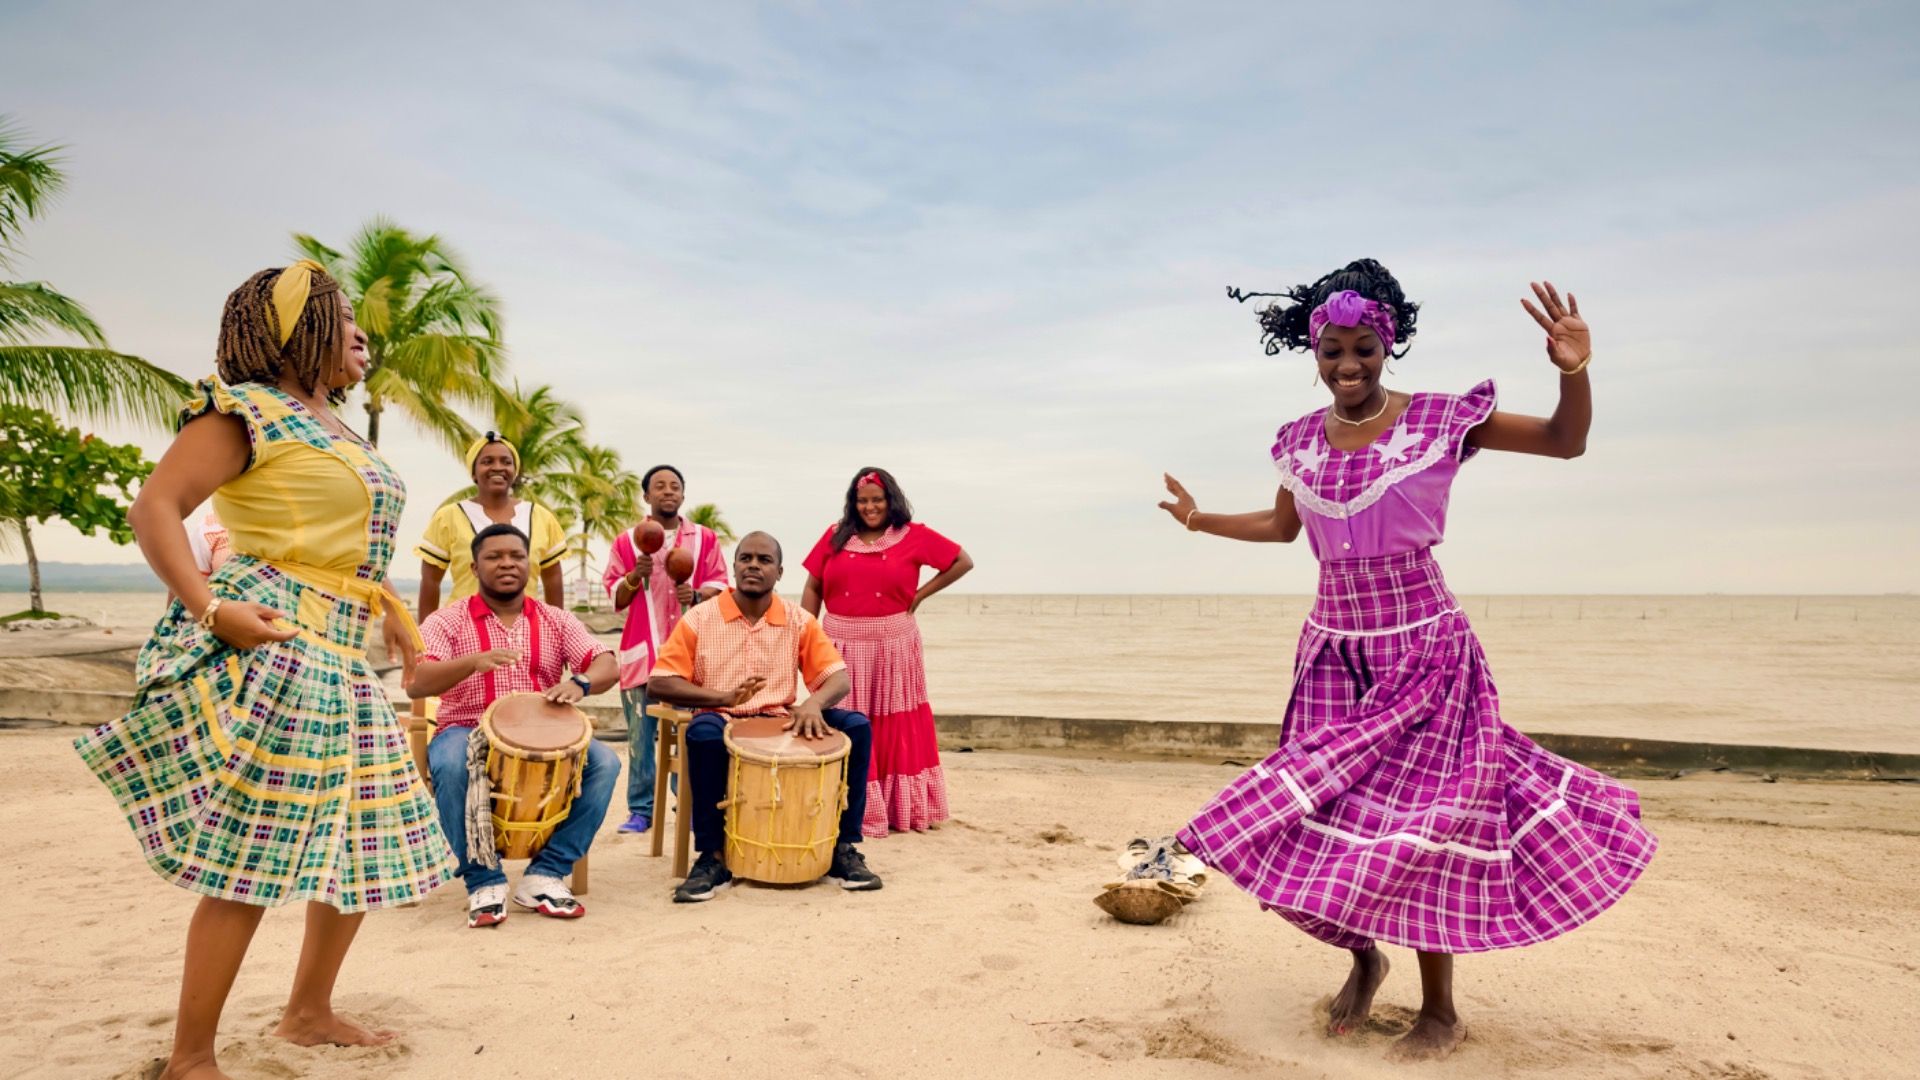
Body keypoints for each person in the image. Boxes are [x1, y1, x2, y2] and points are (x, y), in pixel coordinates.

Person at [1158, 259, 1656, 1062]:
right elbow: (1285, 529)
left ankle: (1441, 1011)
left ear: (1388, 344)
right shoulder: (1296, 442)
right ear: (1311, 352)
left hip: (1425, 650)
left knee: (1426, 826)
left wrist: (1576, 371)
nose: (1347, 367)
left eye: (1363, 349)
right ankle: (1363, 956)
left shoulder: (1437, 420)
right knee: (1324, 821)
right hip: (1332, 654)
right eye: (1332, 352)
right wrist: (1198, 520)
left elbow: (1568, 444)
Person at [74, 261, 455, 1080]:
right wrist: (212, 608)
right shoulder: (245, 409)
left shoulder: (336, 429)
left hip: (339, 646)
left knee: (361, 838)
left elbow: (351, 547)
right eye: (340, 315)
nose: (361, 332)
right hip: (276, 637)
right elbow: (155, 507)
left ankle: (308, 1011)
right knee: (256, 843)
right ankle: (190, 1056)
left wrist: (395, 617)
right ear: (295, 330)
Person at [647, 532, 883, 902]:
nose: (753, 565)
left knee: (856, 726)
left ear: (779, 572)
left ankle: (842, 848)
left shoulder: (798, 620)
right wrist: (719, 697)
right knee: (703, 733)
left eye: (764, 560)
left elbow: (838, 678)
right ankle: (712, 857)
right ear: (735, 566)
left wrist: (811, 705)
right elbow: (659, 683)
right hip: (722, 718)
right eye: (745, 558)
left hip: (781, 719)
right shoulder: (700, 618)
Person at [409, 523, 620, 928]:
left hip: (545, 733)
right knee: (452, 765)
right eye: (494, 556)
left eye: (516, 556)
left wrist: (580, 682)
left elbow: (606, 662)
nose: (506, 563)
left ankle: (546, 874)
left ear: (531, 565)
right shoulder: (447, 621)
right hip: (466, 728)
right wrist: (473, 661)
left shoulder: (556, 619)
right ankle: (483, 881)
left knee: (606, 763)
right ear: (474, 566)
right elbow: (419, 680)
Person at [801, 468, 973, 837]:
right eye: (862, 501)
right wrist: (807, 632)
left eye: (876, 499)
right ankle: (841, 805)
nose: (870, 507)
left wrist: (921, 594)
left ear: (890, 499)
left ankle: (896, 809)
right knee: (843, 720)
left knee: (893, 723)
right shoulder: (835, 536)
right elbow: (813, 585)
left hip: (894, 644)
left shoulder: (914, 536)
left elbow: (962, 561)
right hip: (840, 642)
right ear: (853, 503)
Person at [601, 464, 726, 834]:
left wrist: (699, 594)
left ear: (683, 496)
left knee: (689, 734)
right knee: (640, 737)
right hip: (642, 654)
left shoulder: (704, 538)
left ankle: (684, 803)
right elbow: (616, 598)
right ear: (647, 496)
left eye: (675, 486)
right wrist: (633, 576)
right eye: (659, 486)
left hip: (691, 656)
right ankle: (641, 810)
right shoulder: (628, 541)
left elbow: (721, 584)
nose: (667, 491)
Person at [414, 433, 569, 618]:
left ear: (515, 470)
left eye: (506, 462)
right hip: (463, 627)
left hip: (526, 628)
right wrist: (425, 638)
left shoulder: (541, 517)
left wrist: (558, 630)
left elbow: (552, 579)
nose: (497, 467)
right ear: (474, 472)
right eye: (487, 461)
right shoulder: (448, 517)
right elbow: (431, 582)